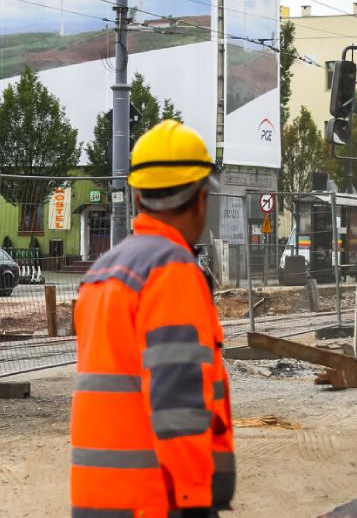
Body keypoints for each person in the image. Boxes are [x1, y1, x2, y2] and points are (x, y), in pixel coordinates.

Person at [70, 120, 235, 518]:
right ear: (200, 199)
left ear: (138, 197)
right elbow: (178, 404)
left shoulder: (104, 272)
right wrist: (194, 501)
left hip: (97, 499)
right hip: (155, 501)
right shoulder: (171, 271)